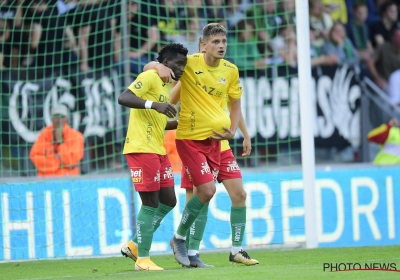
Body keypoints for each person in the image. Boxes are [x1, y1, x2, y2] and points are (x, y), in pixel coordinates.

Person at [144, 23, 258, 267]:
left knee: (238, 194)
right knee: (202, 193)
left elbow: (234, 105)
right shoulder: (190, 64)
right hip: (191, 139)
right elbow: (167, 84)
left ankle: (233, 250)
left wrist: (238, 131)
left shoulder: (231, 71)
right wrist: (158, 68)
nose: (221, 46)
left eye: (224, 42)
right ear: (203, 45)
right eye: (215, 42)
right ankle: (180, 241)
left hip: (219, 143)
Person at [118, 43, 188, 271]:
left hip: (157, 150)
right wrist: (154, 104)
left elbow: (157, 118)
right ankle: (143, 260)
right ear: (165, 63)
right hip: (141, 148)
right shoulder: (150, 75)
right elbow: (124, 97)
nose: (182, 69)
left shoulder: (165, 84)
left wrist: (179, 123)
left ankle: (136, 244)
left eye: (184, 65)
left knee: (169, 200)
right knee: (150, 202)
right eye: (178, 64)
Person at [29, 104, 84, 177]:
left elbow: (72, 161)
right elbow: (34, 156)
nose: (59, 120)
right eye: (56, 116)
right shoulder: (44, 134)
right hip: (47, 179)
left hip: (68, 180)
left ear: (67, 118)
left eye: (62, 117)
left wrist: (60, 142)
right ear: (51, 118)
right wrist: (58, 163)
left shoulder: (76, 136)